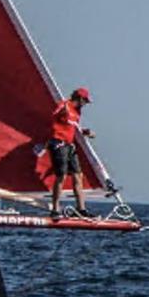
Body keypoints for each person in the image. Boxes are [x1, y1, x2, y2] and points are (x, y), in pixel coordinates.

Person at [45, 86, 94, 219]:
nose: (85, 104)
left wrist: (86, 132)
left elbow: (74, 128)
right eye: (85, 101)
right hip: (58, 144)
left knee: (78, 175)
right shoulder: (64, 105)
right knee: (61, 176)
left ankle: (81, 209)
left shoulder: (77, 112)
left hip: (70, 145)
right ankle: (55, 209)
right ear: (79, 98)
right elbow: (53, 117)